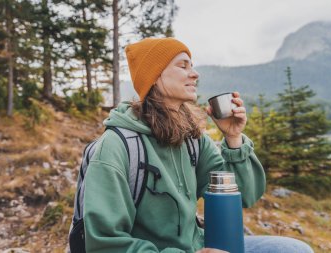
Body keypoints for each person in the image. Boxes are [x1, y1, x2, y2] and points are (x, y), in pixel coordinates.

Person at [83, 37, 313, 253]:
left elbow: (244, 196)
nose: (195, 74)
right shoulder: (117, 146)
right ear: (154, 76)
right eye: (183, 66)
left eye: (192, 66)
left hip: (198, 245)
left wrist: (233, 138)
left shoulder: (191, 138)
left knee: (295, 250)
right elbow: (105, 242)